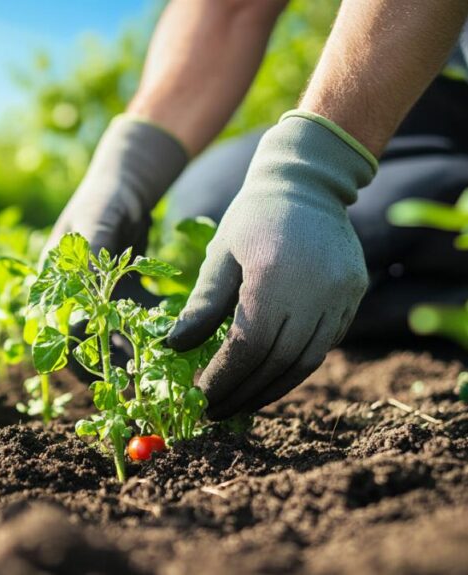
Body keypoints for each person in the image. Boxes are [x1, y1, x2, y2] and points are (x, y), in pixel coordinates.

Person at [46, 0, 468, 420]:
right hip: (428, 80)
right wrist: (129, 165)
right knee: (212, 207)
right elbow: (232, 8)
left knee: (359, 231)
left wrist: (317, 169)